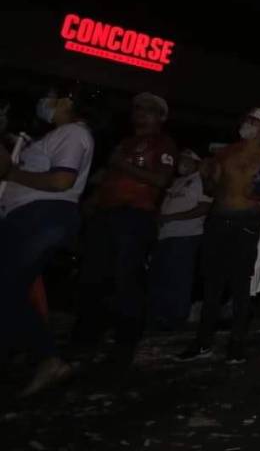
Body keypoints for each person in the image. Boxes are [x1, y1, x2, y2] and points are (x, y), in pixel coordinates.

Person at [0, 83, 96, 396]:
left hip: (42, 216)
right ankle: (38, 356)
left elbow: (61, 180)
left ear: (70, 102)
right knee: (11, 289)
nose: (47, 102)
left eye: (54, 97)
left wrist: (12, 174)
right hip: (29, 217)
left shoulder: (74, 133)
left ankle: (47, 358)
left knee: (8, 287)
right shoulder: (55, 136)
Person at [74, 92, 177, 362]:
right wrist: (92, 202)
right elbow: (108, 177)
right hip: (105, 215)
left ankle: (125, 340)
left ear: (160, 118)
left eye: (149, 110)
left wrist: (124, 167)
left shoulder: (163, 145)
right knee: (94, 275)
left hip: (135, 216)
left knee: (126, 278)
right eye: (138, 108)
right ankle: (87, 335)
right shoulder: (124, 143)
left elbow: (161, 180)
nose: (141, 113)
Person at [180, 108, 260, 363]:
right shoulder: (225, 152)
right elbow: (213, 189)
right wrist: (205, 177)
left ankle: (237, 342)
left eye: (254, 121)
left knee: (240, 286)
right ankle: (203, 341)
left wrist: (256, 195)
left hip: (245, 222)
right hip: (217, 220)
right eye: (246, 119)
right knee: (212, 284)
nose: (247, 123)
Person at [149, 149, 211, 330]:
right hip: (164, 235)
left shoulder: (201, 179)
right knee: (160, 277)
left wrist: (172, 217)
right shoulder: (175, 182)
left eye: (186, 160)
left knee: (179, 277)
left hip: (185, 235)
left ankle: (175, 317)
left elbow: (203, 208)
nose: (181, 164)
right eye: (180, 160)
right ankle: (157, 315)